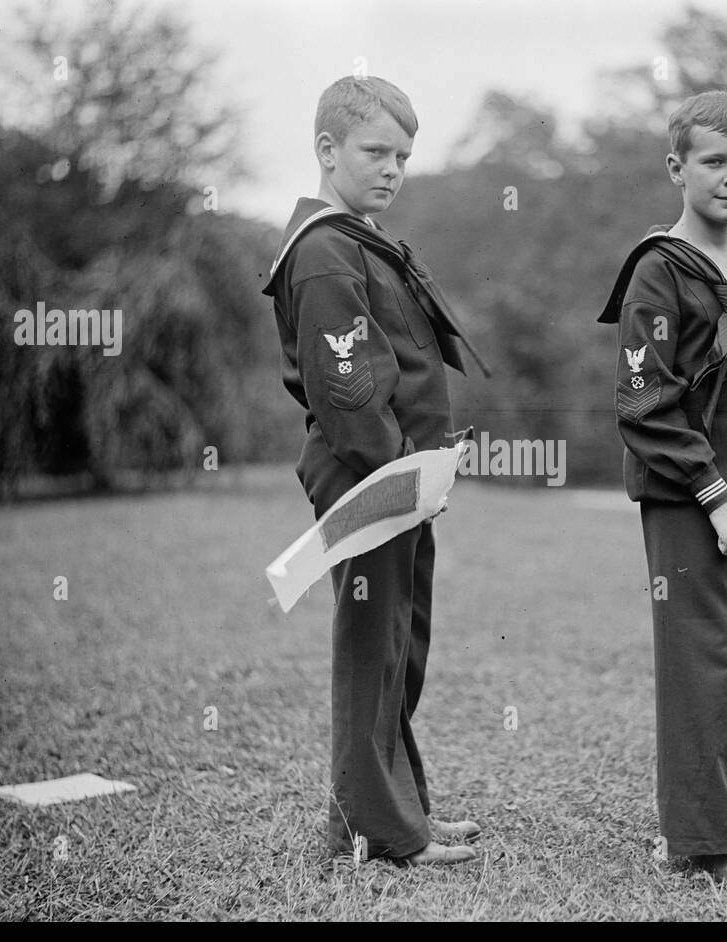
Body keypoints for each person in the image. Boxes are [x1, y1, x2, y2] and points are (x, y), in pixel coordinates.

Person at [262, 76, 486, 866]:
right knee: (372, 647)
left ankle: (402, 809)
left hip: (405, 477)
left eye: (404, 155)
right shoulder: (323, 252)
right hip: (372, 477)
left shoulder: (358, 236)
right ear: (327, 151)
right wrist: (406, 478)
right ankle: (375, 829)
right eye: (376, 152)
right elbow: (349, 389)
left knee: (399, 644)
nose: (393, 168)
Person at [597, 91, 727, 895]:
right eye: (714, 161)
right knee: (702, 661)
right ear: (676, 167)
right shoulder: (658, 271)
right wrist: (715, 496)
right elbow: (642, 403)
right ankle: (705, 845)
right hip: (689, 498)